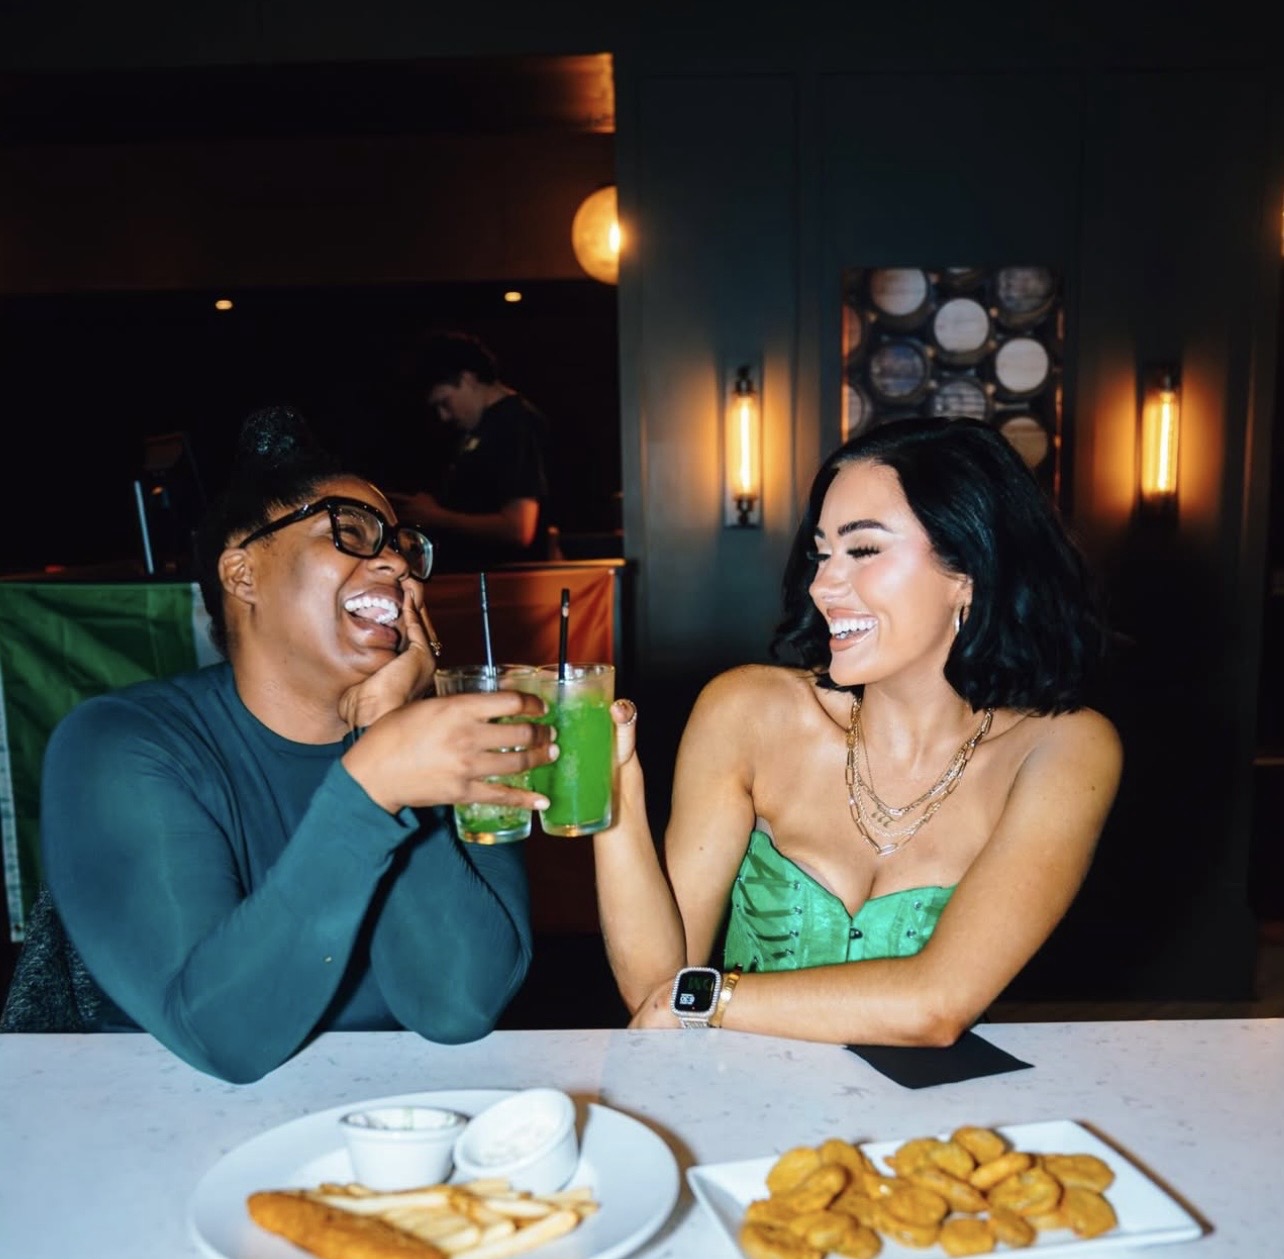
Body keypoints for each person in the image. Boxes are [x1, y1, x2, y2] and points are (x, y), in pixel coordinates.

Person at [31, 405, 556, 1082]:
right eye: (354, 531)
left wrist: (386, 735)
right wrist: (371, 789)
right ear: (242, 574)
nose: (396, 561)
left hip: (387, 1144)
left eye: (402, 543)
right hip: (165, 1143)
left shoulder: (444, 742)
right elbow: (224, 1037)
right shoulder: (120, 745)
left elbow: (454, 1007)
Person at [594, 415, 1122, 1042]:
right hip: (739, 1103)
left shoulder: (1065, 749)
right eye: (821, 552)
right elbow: (652, 983)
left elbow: (939, 1003)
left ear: (968, 572)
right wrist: (616, 789)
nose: (823, 584)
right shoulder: (747, 712)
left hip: (927, 1119)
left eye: (863, 549)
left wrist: (706, 1000)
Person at [391, 331, 554, 568]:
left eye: (445, 402)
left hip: (507, 584)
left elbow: (519, 528)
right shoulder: (485, 426)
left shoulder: (514, 423)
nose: (443, 416)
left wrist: (438, 517)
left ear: (467, 379)